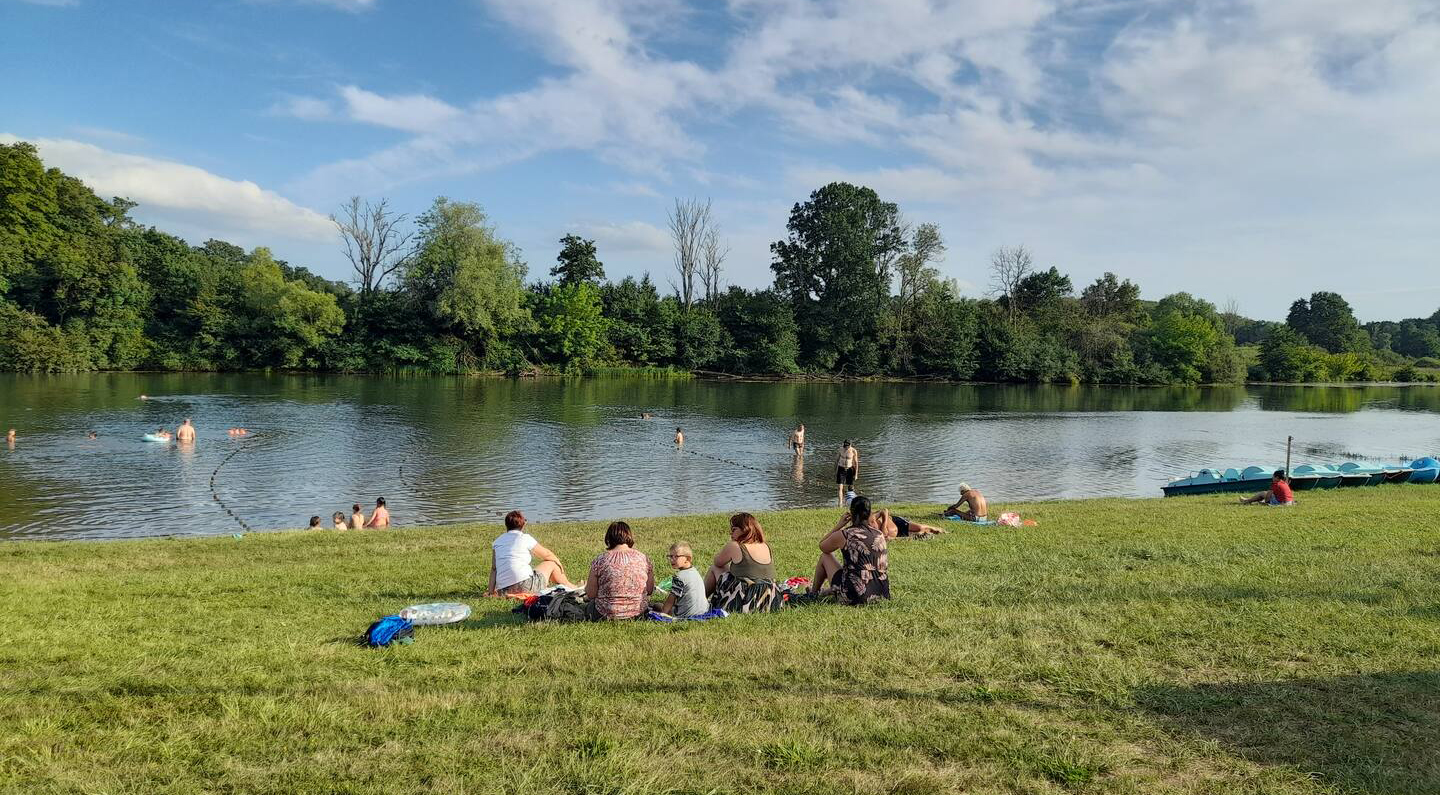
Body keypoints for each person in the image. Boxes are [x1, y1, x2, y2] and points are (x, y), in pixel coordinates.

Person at [809, 495, 890, 605]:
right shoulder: (879, 534)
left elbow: (823, 546)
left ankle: (813, 593)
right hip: (881, 594)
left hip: (855, 596)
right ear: (869, 514)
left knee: (825, 557)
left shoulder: (845, 534)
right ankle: (826, 591)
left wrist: (839, 525)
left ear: (852, 513)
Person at [705, 512, 784, 613]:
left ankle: (701, 601)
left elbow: (718, 562)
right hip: (771, 600)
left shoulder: (735, 546)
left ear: (745, 529)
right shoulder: (765, 545)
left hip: (746, 600)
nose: (731, 533)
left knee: (715, 568)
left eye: (734, 530)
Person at [489, 510, 575, 595]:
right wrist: (558, 563)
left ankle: (564, 585)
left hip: (503, 591)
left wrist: (490, 592)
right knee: (551, 563)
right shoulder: (524, 538)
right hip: (525, 586)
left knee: (534, 571)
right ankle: (571, 587)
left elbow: (494, 569)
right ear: (523, 525)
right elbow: (547, 555)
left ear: (506, 525)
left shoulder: (497, 542)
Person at [584, 521, 655, 620]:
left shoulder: (600, 560)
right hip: (638, 612)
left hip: (606, 613)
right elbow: (650, 590)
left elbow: (591, 594)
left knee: (589, 605)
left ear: (609, 538)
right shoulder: (643, 558)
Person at [658, 542, 708, 618]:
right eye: (670, 556)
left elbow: (671, 600)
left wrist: (662, 614)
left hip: (685, 615)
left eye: (676, 557)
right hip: (702, 612)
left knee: (657, 606)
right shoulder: (695, 572)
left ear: (687, 559)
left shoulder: (679, 577)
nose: (672, 559)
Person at [875, 508, 946, 539]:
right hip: (897, 534)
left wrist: (884, 526)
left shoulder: (870, 517)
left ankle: (938, 529)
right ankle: (926, 534)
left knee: (920, 528)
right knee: (919, 533)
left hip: (895, 522)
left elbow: (884, 511)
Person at [836, 440, 859, 506]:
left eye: (847, 446)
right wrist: (835, 470)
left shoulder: (853, 451)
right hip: (841, 468)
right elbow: (836, 460)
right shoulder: (840, 449)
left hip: (850, 469)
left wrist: (856, 474)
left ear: (850, 445)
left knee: (850, 487)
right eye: (845, 446)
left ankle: (849, 501)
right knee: (840, 487)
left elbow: (856, 463)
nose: (846, 447)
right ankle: (840, 503)